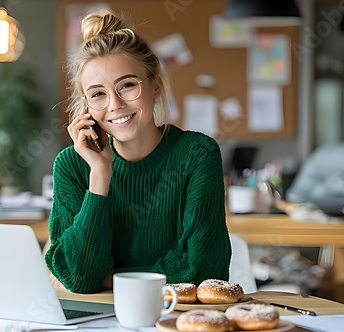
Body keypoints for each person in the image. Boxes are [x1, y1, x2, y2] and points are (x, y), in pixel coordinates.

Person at [44, 9, 231, 294]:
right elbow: (79, 277)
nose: (115, 104)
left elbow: (204, 271)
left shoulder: (197, 154)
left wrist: (110, 279)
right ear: (86, 107)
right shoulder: (72, 165)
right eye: (98, 94)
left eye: (127, 85)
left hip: (172, 319)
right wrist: (100, 174)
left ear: (155, 86)